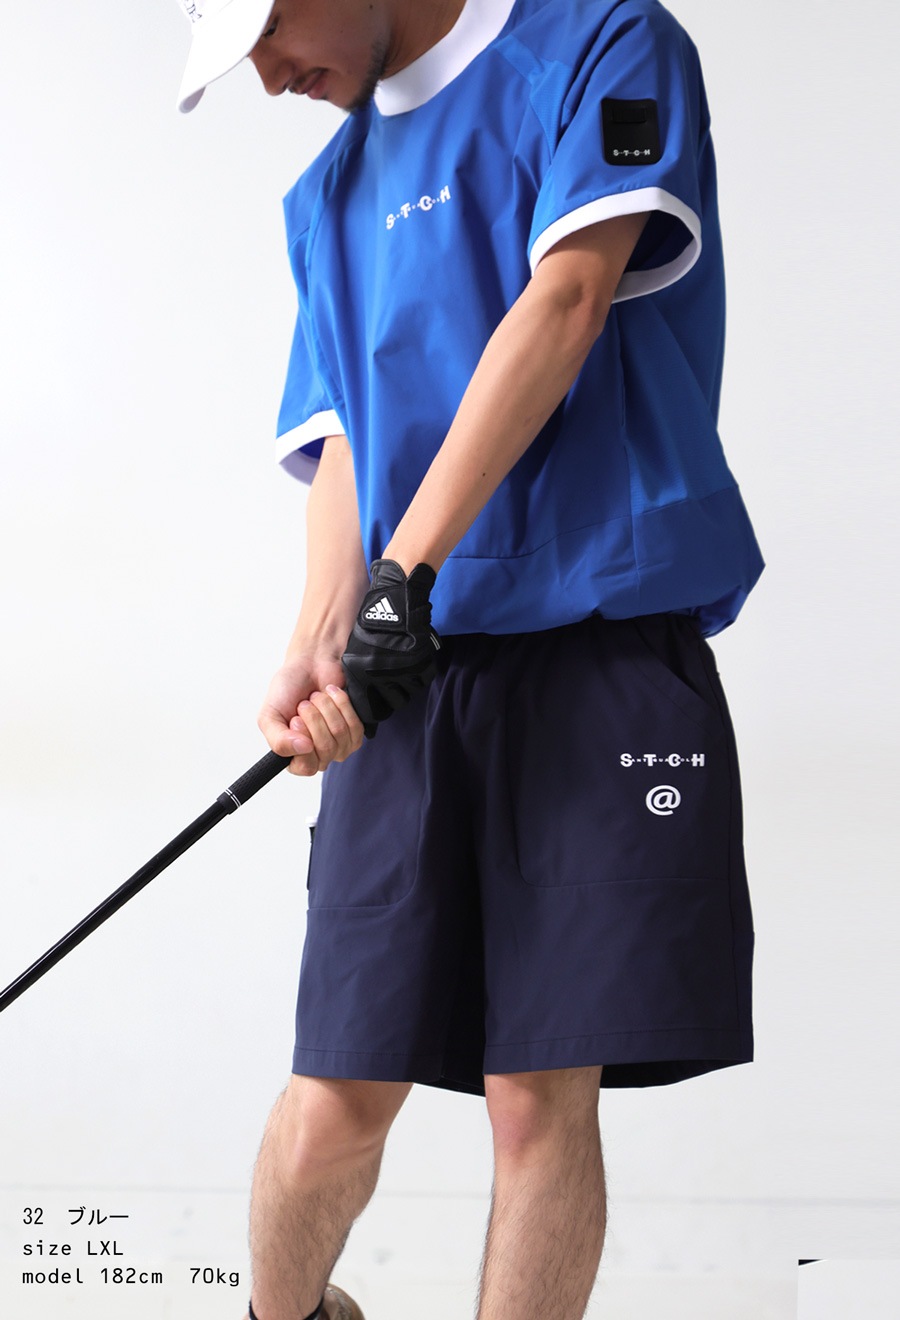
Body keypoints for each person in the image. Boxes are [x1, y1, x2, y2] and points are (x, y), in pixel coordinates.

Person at [176, 2, 764, 1318]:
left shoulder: (600, 44)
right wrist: (318, 640)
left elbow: (568, 299)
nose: (269, 80)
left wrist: (405, 575)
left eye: (268, 36)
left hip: (601, 644)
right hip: (413, 670)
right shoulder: (324, 196)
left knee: (536, 1092)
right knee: (336, 1092)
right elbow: (343, 438)